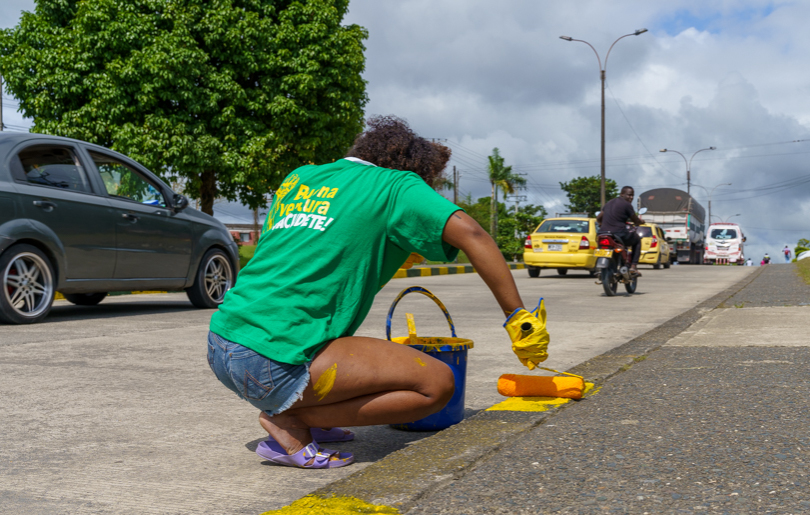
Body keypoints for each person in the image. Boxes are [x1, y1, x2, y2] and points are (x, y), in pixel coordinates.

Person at [206, 116, 549, 469]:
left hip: (223, 344)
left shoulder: (301, 178)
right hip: (273, 362)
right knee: (436, 385)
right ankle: (292, 422)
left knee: (336, 338)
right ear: (418, 170)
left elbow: (303, 250)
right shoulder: (397, 185)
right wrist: (517, 317)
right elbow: (474, 236)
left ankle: (313, 414)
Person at [596, 186, 643, 277]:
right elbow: (635, 220)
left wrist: (601, 224)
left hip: (603, 233)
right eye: (629, 195)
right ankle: (633, 266)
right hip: (618, 233)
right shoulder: (627, 205)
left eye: (632, 195)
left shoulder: (609, 203)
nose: (631, 197)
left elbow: (598, 218)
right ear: (622, 194)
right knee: (637, 240)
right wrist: (641, 222)